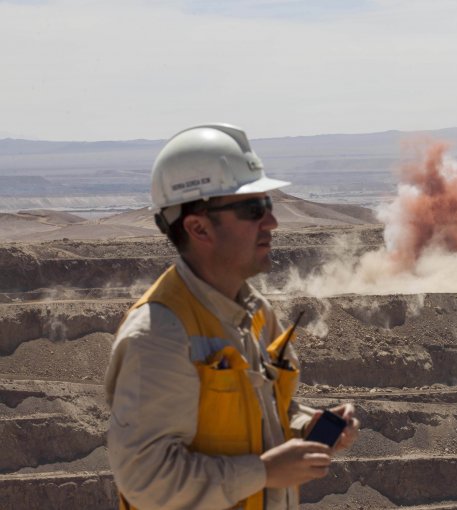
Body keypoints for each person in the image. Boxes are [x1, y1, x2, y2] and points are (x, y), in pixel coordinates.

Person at [105, 123, 360, 510]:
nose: (271, 222)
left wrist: (305, 425)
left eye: (269, 205)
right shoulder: (159, 336)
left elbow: (261, 413)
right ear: (198, 227)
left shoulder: (257, 313)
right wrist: (262, 472)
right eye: (252, 210)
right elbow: (146, 479)